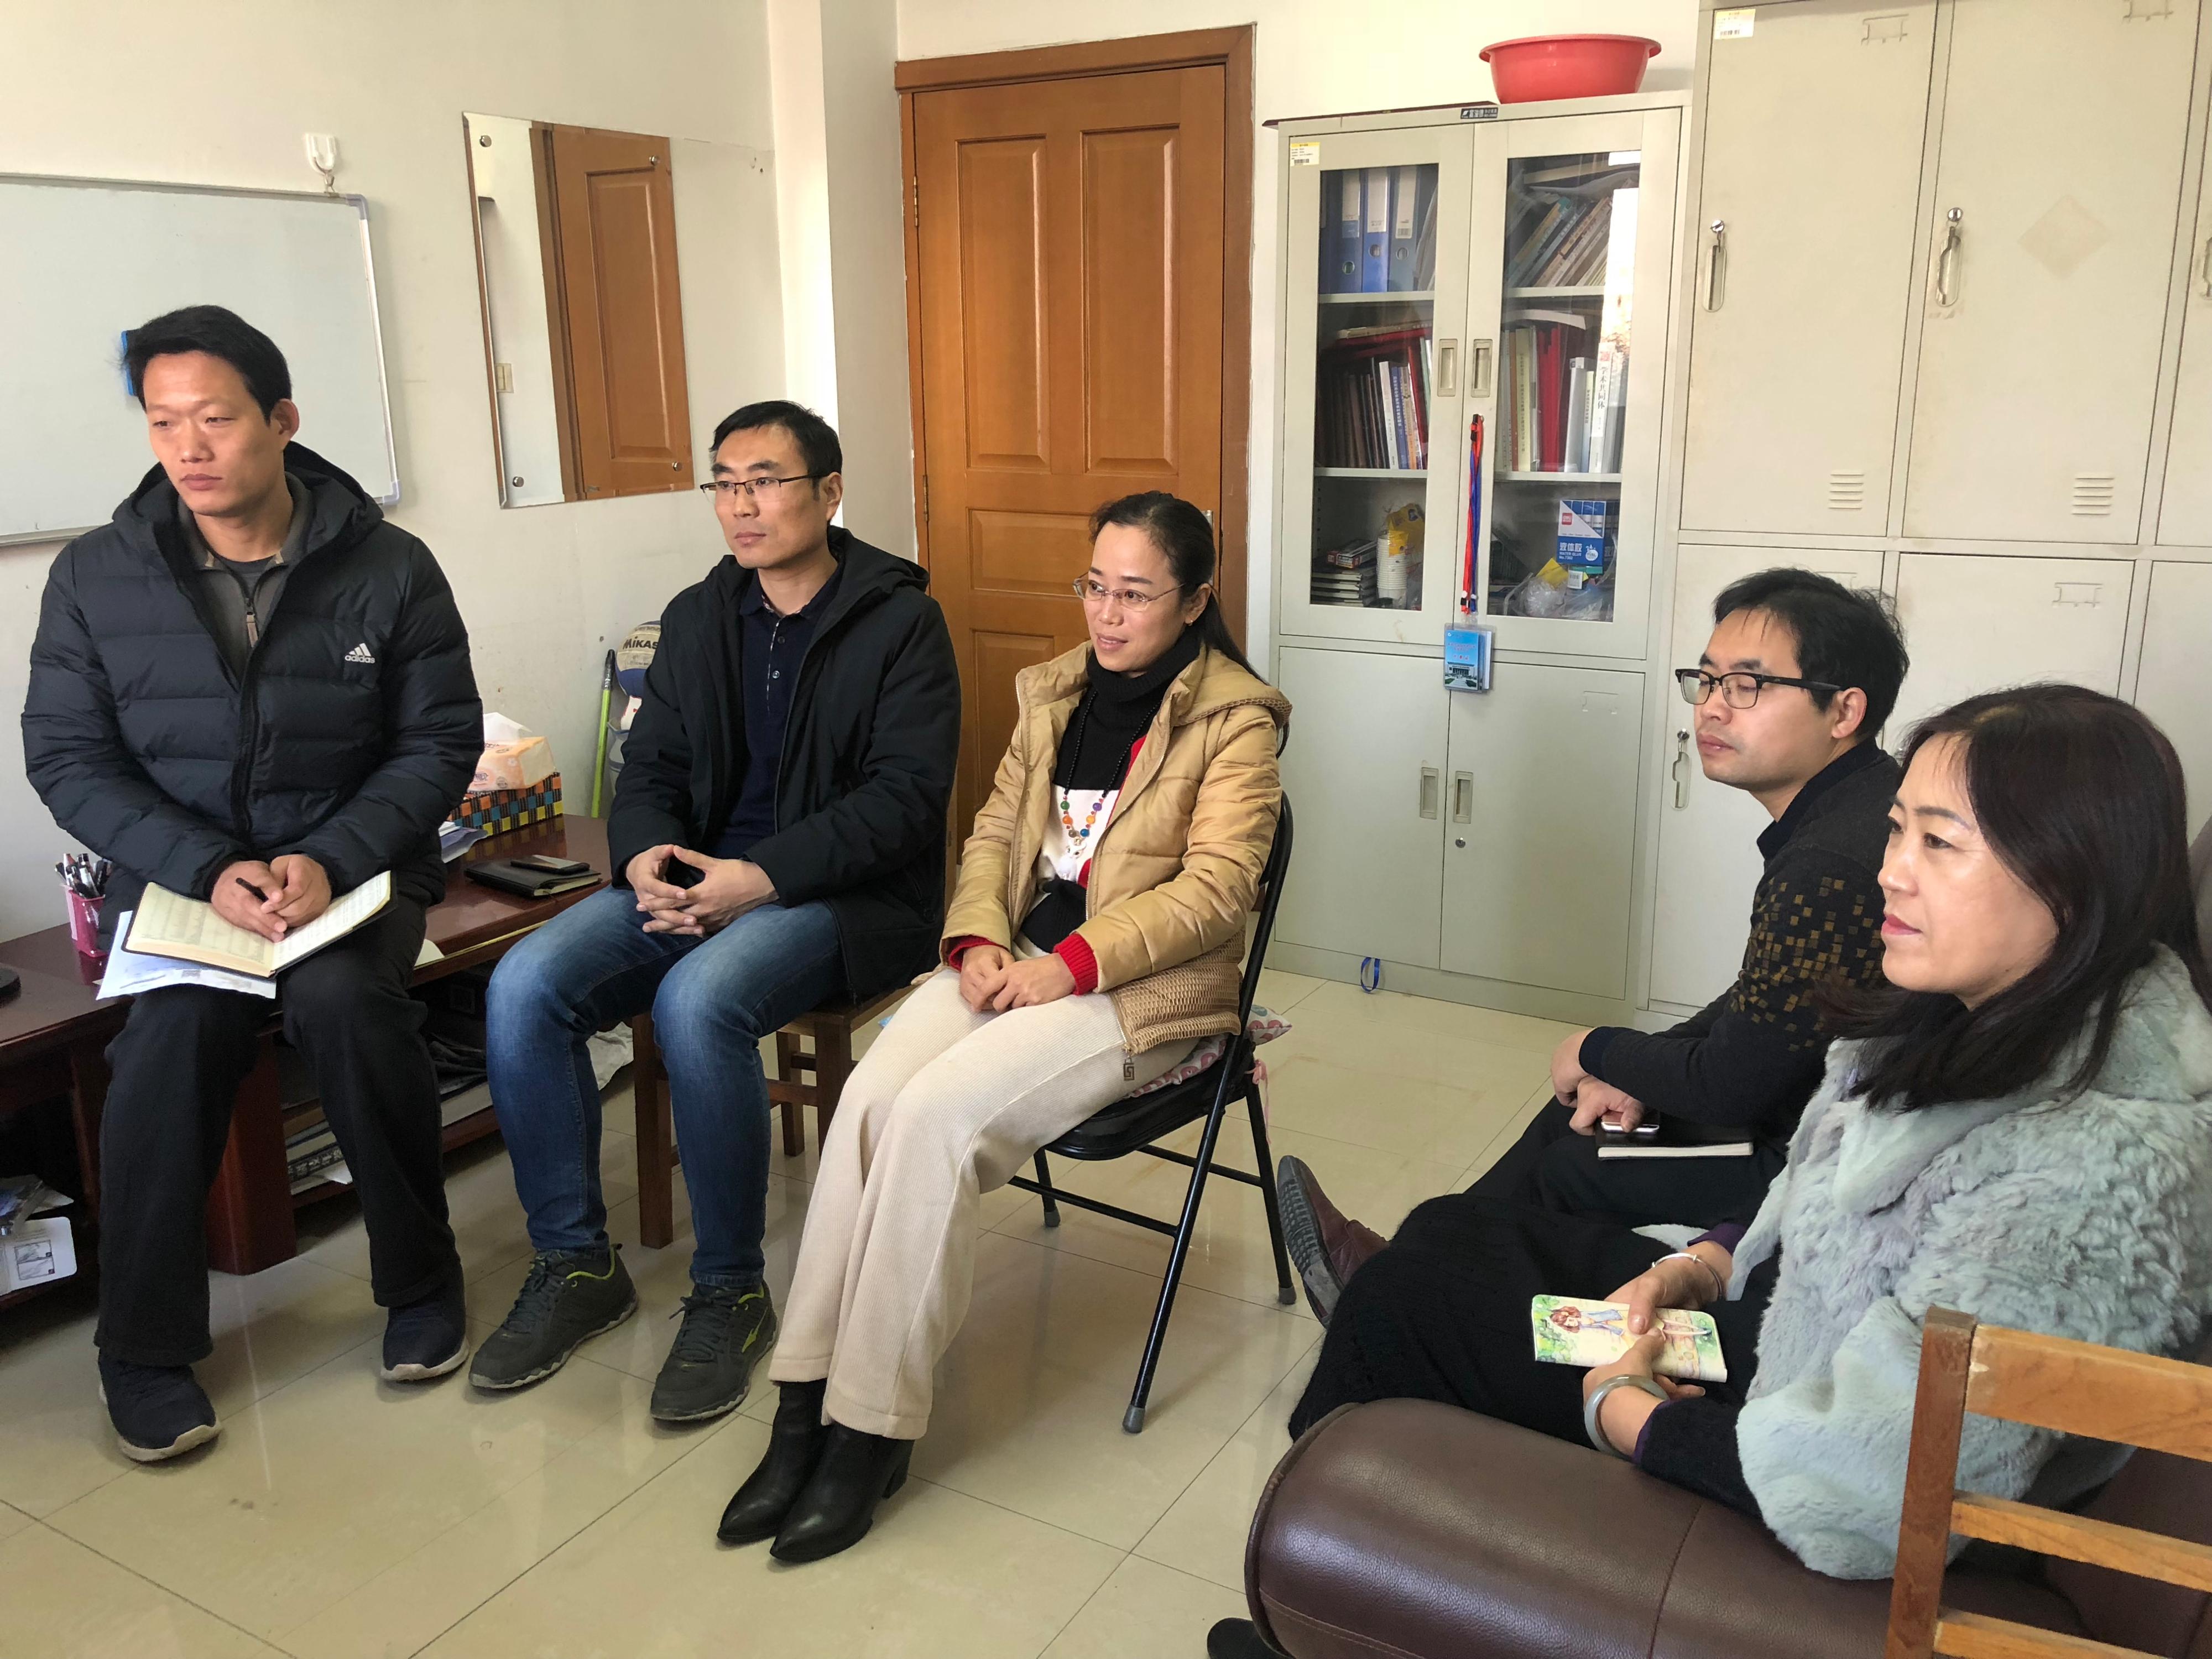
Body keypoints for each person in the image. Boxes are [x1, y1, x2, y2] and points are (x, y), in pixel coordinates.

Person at [1207, 685, 2212, 1659]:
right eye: (1898, 831)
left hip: (1797, 1448)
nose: (1892, 874)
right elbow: (1825, 1187)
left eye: (1940, 844)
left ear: (2071, 879)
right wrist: (1705, 1263)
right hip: (1780, 1336)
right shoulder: (1987, 1014)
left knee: (1412, 1302)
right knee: (1450, 1232)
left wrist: (1630, 1414)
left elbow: (1874, 1483)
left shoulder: (2092, 1173)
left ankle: (1310, 1598)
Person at [718, 491, 1289, 1562]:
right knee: (870, 1099)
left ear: (1194, 600)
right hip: (1018, 957)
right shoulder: (1053, 693)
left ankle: (871, 1428)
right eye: (1094, 586)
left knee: (934, 1117)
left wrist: (1069, 965)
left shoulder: (1236, 721)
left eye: (1135, 594)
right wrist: (977, 936)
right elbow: (991, 835)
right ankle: (803, 1400)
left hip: (1136, 990)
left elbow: (1217, 892)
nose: (1106, 614)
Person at [22, 305, 483, 1461]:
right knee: (167, 1043)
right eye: (163, 422)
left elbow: (437, 742)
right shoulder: (96, 574)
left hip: (354, 874)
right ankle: (141, 1348)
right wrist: (205, 866)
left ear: (282, 420)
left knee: (350, 1007)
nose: (189, 447)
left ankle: (421, 1282)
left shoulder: (389, 566)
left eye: (216, 419)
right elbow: (67, 758)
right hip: (185, 886)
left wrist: (330, 857)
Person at [472, 401, 960, 1425]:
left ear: (830, 492)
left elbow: (905, 802)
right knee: (524, 984)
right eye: (726, 484)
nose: (743, 505)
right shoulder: (700, 616)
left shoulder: (900, 621)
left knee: (698, 1004)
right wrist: (646, 854)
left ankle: (731, 1289)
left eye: (767, 481)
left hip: (842, 897)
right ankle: (575, 1264)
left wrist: (759, 877)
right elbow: (649, 765)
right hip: (695, 879)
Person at [1279, 568, 1909, 1321]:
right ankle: (1401, 1282)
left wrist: (1598, 1047)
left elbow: (1735, 1084)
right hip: (1809, 1113)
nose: (1712, 705)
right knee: (1581, 1110)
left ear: (1844, 710)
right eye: (1707, 680)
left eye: (1747, 685)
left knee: (1580, 1160)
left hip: (1810, 1160)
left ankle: (1411, 1303)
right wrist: (1627, 1061)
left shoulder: (1828, 862)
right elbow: (1767, 1003)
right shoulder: (1860, 806)